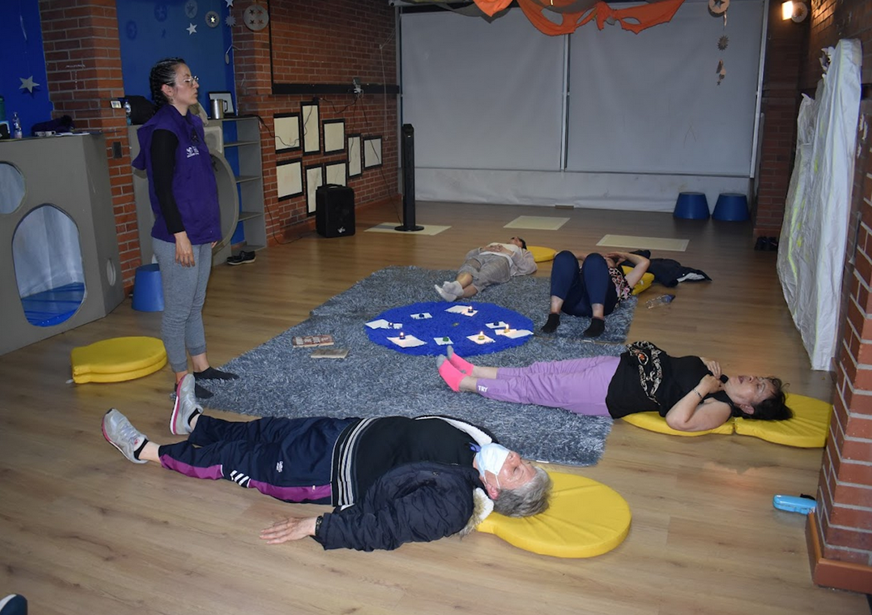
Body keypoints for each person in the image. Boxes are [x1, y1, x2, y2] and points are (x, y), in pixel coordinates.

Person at [101, 375, 552, 552]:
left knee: (235, 459)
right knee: (264, 429)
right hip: (345, 431)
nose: (513, 457)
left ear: (494, 492)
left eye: (515, 470)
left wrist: (317, 526)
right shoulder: (483, 446)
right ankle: (194, 421)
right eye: (522, 460)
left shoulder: (451, 503)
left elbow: (386, 527)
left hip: (324, 474)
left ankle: (148, 452)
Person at [132, 58, 237, 400]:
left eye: (193, 77)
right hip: (178, 237)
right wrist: (180, 236)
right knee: (178, 311)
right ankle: (182, 382)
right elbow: (162, 190)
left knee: (195, 303)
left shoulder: (189, 122)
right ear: (167, 90)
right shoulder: (162, 130)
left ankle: (202, 367)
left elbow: (198, 181)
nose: (194, 83)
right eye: (186, 79)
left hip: (200, 231)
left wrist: (211, 228)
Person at [436, 342, 792, 432]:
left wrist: (703, 387)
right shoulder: (718, 378)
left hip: (609, 393)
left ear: (747, 408)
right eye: (759, 379)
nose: (754, 380)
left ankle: (467, 384)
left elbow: (678, 420)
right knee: (540, 369)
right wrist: (710, 374)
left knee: (538, 387)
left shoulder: (721, 408)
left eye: (759, 389)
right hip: (619, 366)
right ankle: (476, 368)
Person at [540, 250, 651, 338]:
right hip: (573, 303)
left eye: (607, 259)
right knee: (565, 256)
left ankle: (598, 319)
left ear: (616, 265)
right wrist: (584, 256)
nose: (604, 259)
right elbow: (558, 255)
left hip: (604, 303)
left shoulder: (621, 280)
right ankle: (554, 315)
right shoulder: (582, 270)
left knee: (595, 259)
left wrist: (624, 255)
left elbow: (644, 262)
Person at [435, 237, 536, 301]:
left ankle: (455, 295)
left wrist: (509, 253)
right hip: (482, 256)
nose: (515, 239)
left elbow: (530, 268)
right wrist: (484, 249)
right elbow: (468, 256)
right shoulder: (495, 243)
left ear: (522, 246)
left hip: (502, 260)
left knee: (482, 277)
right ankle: (457, 286)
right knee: (468, 267)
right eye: (513, 238)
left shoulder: (523, 252)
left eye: (518, 240)